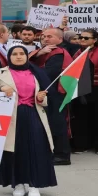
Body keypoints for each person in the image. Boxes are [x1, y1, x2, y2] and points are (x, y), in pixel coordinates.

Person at [0, 46, 57, 196]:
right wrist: (0, 88)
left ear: (26, 56)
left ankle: (34, 184)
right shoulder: (0, 74)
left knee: (36, 148)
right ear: (9, 57)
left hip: (33, 114)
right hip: (10, 117)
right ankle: (17, 183)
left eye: (21, 54)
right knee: (14, 150)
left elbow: (47, 99)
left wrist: (40, 98)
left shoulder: (37, 73)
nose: (18, 57)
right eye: (14, 54)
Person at [30, 28, 73, 165]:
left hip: (55, 94)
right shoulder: (46, 51)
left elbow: (48, 74)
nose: (45, 38)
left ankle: (62, 155)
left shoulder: (58, 53)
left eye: (50, 36)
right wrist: (38, 54)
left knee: (57, 123)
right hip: (49, 93)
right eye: (43, 36)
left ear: (60, 40)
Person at [70, 29, 98, 155]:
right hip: (80, 87)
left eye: (86, 38)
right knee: (81, 117)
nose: (82, 40)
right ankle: (81, 144)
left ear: (95, 40)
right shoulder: (76, 51)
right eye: (81, 37)